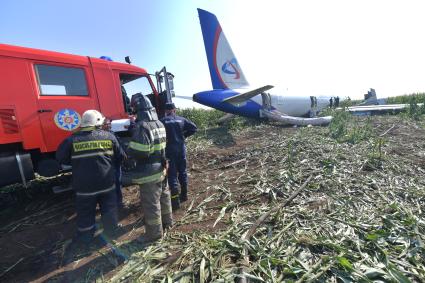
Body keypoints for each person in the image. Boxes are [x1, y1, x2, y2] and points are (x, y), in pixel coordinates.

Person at [56, 110, 125, 246]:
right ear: (98, 122)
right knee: (109, 208)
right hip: (106, 183)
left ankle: (86, 239)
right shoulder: (109, 137)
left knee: (85, 212)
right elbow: (121, 157)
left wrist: (78, 162)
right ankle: (111, 232)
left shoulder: (71, 139)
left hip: (84, 186)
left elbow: (61, 159)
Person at [124, 93, 173, 243]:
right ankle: (168, 223)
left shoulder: (142, 126)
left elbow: (142, 151)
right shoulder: (159, 123)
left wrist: (128, 149)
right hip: (162, 168)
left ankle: (154, 235)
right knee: (164, 197)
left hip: (149, 172)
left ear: (137, 109)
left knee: (151, 204)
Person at [160, 102, 197, 210]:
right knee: (183, 171)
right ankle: (184, 195)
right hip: (181, 150)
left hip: (169, 151)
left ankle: (175, 201)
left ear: (166, 111)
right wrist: (183, 136)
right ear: (174, 110)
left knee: (172, 175)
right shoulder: (182, 119)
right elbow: (194, 128)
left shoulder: (162, 121)